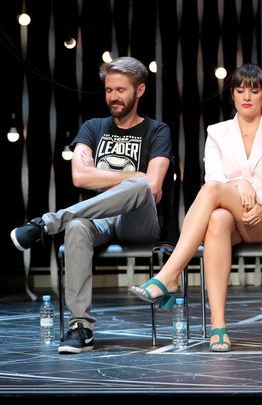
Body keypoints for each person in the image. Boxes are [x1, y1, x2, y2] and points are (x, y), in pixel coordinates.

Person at [129, 64, 262, 352]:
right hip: (233, 220)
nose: (247, 96)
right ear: (232, 95)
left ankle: (169, 275)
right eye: (240, 90)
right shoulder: (218, 132)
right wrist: (241, 184)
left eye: (254, 90)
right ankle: (218, 326)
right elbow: (215, 179)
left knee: (212, 194)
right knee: (218, 217)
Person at [10, 57, 171, 354]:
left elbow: (152, 185)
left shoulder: (156, 131)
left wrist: (128, 180)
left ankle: (45, 223)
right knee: (76, 227)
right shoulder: (93, 127)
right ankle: (80, 328)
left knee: (138, 187)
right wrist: (133, 173)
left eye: (121, 90)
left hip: (138, 221)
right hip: (100, 217)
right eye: (109, 89)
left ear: (140, 90)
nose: (113, 96)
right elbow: (80, 176)